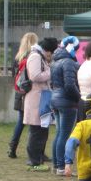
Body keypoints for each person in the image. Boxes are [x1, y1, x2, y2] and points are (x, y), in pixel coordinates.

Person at [23, 37, 59, 171]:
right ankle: (34, 161)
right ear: (48, 50)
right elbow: (35, 76)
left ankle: (38, 159)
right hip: (36, 97)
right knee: (36, 131)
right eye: (51, 52)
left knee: (41, 130)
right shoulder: (35, 57)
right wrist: (50, 71)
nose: (51, 55)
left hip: (41, 97)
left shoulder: (39, 56)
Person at [50, 36, 81, 175]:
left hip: (55, 100)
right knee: (65, 135)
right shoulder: (68, 62)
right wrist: (78, 98)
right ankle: (62, 166)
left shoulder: (55, 62)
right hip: (67, 102)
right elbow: (69, 85)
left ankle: (57, 165)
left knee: (59, 134)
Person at [8, 32, 38, 159]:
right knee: (34, 122)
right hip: (30, 91)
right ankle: (35, 150)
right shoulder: (33, 57)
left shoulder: (17, 57)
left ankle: (12, 147)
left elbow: (13, 76)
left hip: (19, 92)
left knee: (21, 121)